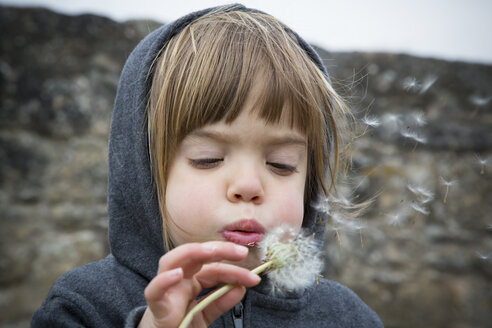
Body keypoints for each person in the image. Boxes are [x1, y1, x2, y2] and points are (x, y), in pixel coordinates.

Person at [32, 4, 383, 328]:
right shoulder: (82, 307)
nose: (248, 185)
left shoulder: (349, 317)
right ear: (146, 173)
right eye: (208, 159)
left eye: (281, 164)